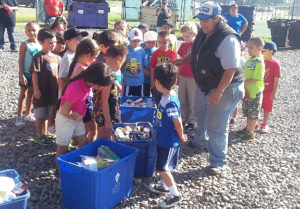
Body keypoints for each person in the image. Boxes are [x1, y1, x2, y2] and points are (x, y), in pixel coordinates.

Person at [173, 1, 244, 175]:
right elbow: (197, 50)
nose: (203, 23)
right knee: (201, 111)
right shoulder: (205, 33)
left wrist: (218, 92)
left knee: (217, 124)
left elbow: (231, 69)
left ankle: (218, 161)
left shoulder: (228, 38)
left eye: (207, 20)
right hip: (206, 82)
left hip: (226, 86)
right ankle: (201, 141)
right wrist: (184, 60)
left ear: (217, 18)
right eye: (201, 19)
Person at [148, 64, 187, 208]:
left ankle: (175, 194)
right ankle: (165, 186)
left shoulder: (170, 102)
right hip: (162, 138)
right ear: (175, 81)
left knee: (162, 168)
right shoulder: (167, 96)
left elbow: (177, 122)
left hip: (169, 141)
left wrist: (181, 136)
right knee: (162, 165)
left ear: (157, 82)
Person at [55, 62, 113, 159]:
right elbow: (64, 111)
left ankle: (80, 166)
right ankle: (61, 172)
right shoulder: (76, 89)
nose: (102, 88)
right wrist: (76, 116)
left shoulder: (87, 82)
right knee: (62, 149)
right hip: (66, 119)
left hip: (76, 117)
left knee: (84, 142)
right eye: (101, 85)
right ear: (95, 81)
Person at [30, 29, 60, 145]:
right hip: (42, 91)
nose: (53, 45)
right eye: (50, 42)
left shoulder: (56, 57)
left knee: (49, 114)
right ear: (42, 42)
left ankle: (46, 134)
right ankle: (39, 135)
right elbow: (34, 73)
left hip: (53, 91)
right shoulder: (39, 56)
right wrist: (36, 89)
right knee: (40, 114)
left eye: (54, 42)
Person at [68, 38, 100, 143]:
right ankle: (88, 150)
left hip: (83, 100)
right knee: (93, 130)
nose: (94, 60)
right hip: (85, 101)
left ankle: (80, 148)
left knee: (85, 130)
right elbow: (94, 84)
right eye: (94, 57)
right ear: (87, 55)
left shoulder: (77, 65)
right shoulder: (82, 69)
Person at [93, 45, 128, 140]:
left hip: (103, 112)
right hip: (105, 114)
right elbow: (104, 101)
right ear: (118, 59)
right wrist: (108, 121)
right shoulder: (107, 79)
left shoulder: (106, 70)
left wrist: (117, 85)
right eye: (122, 63)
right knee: (105, 139)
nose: (121, 66)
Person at [238, 37, 265, 142]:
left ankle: (251, 133)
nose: (248, 50)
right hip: (248, 92)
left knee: (253, 113)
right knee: (248, 112)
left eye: (251, 48)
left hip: (255, 92)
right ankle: (248, 128)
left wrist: (243, 82)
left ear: (259, 48)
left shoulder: (259, 62)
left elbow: (256, 78)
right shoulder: (250, 60)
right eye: (247, 48)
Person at [16, 22, 41, 126]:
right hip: (25, 74)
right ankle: (19, 117)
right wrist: (21, 75)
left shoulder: (40, 44)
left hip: (35, 74)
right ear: (26, 32)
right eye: (29, 30)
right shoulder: (24, 44)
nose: (32, 32)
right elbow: (20, 60)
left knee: (31, 94)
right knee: (23, 95)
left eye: (34, 30)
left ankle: (27, 114)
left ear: (38, 31)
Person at [177, 22, 197, 131]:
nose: (185, 38)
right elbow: (180, 59)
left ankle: (191, 120)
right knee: (182, 98)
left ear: (194, 34)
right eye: (184, 36)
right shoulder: (183, 45)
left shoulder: (197, 45)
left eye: (187, 36)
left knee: (192, 99)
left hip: (193, 76)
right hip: (183, 75)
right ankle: (182, 118)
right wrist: (177, 74)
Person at [58, 27, 88, 96]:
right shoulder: (67, 57)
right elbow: (61, 79)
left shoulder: (76, 55)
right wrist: (65, 96)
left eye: (81, 39)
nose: (81, 42)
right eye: (78, 39)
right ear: (68, 42)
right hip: (68, 97)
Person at [150, 31, 177, 104]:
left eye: (164, 43)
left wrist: (173, 81)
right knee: (157, 100)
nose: (162, 45)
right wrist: (152, 81)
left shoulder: (172, 54)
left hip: (167, 82)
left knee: (167, 100)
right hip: (158, 81)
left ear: (169, 42)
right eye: (160, 42)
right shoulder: (155, 53)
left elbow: (173, 69)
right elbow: (152, 68)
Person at [260, 41, 280, 133]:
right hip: (259, 89)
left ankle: (264, 124)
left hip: (268, 91)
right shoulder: (260, 61)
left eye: (263, 50)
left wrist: (274, 92)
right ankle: (255, 123)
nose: (261, 52)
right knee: (257, 107)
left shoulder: (275, 64)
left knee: (267, 108)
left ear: (271, 52)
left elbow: (276, 80)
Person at [122, 28, 147, 96]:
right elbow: (122, 65)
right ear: (129, 39)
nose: (136, 43)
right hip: (128, 82)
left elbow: (144, 64)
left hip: (139, 81)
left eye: (138, 41)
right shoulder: (125, 49)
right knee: (126, 100)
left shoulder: (142, 50)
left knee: (139, 101)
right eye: (134, 41)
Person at [143, 30, 158, 96]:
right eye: (149, 42)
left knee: (155, 96)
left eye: (153, 42)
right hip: (144, 78)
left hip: (155, 78)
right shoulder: (142, 51)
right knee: (145, 96)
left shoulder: (157, 51)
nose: (151, 44)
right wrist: (144, 71)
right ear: (145, 42)